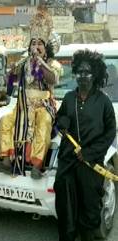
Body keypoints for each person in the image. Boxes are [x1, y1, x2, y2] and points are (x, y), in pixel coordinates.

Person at [54, 49, 116, 241]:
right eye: (79, 72)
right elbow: (59, 120)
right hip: (67, 162)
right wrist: (61, 122)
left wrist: (89, 152)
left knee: (89, 210)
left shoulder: (104, 101)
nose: (82, 76)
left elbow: (110, 133)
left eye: (87, 72)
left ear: (95, 74)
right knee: (66, 207)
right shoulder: (69, 98)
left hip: (90, 165)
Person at [0, 6, 62, 179]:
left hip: (43, 107)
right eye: (33, 43)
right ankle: (5, 158)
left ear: (46, 47)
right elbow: (11, 84)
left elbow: (52, 79)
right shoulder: (24, 63)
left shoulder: (53, 64)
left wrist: (40, 62)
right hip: (23, 107)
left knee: (45, 122)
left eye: (40, 43)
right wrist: (11, 74)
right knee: (5, 121)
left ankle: (37, 164)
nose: (36, 46)